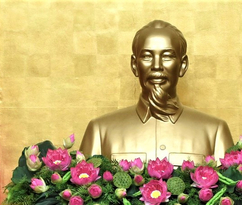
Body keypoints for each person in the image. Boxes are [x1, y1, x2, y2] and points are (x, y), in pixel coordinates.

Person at [80, 20, 233, 164]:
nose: (157, 66)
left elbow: (231, 188)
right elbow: (82, 189)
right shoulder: (100, 131)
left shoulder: (214, 132)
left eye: (167, 56)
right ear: (134, 65)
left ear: (182, 65)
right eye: (147, 56)